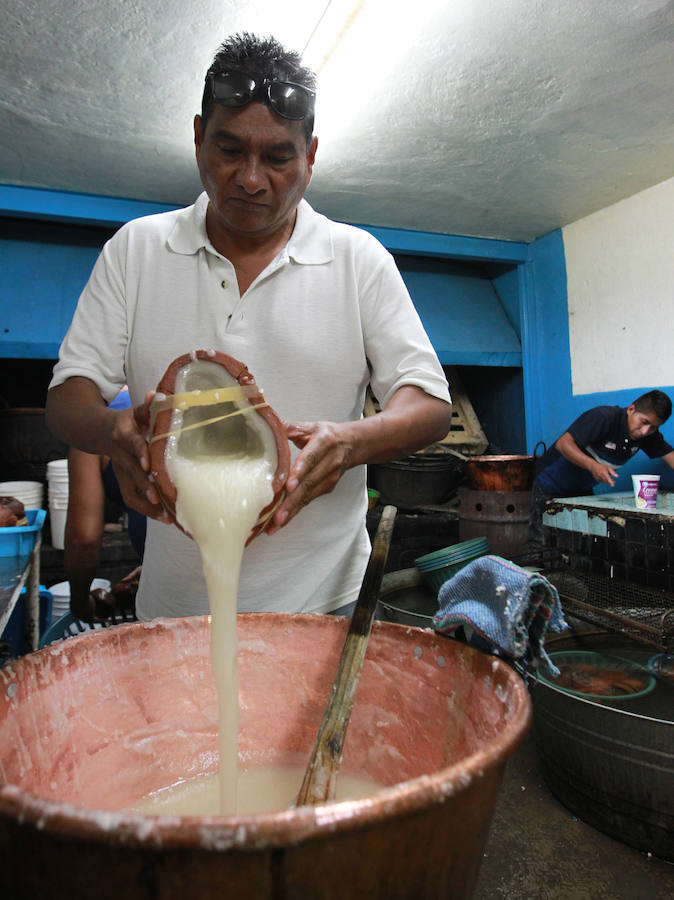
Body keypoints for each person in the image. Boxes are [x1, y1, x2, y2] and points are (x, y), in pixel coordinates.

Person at [46, 33, 452, 620]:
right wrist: (114, 432)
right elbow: (69, 395)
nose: (252, 179)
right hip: (174, 613)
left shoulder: (358, 259)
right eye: (229, 149)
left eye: (279, 157)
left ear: (310, 155)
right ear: (197, 138)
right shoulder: (136, 251)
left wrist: (352, 441)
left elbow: (429, 402)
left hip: (327, 611)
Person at [526, 390, 674, 555]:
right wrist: (594, 466)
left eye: (653, 427)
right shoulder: (604, 417)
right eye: (644, 422)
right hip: (550, 483)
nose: (645, 431)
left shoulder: (646, 436)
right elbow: (563, 444)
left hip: (581, 491)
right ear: (631, 409)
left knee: (580, 543)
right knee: (541, 543)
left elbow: (670, 457)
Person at [65, 387, 147, 622]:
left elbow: (84, 541)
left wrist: (80, 601)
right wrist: (154, 564)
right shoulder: (184, 403)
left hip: (170, 600)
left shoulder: (90, 425)